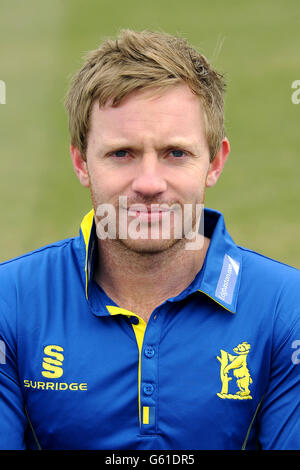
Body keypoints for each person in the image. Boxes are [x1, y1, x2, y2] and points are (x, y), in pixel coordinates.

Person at [0, 29, 300, 451]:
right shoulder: (9, 302)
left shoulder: (288, 308)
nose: (148, 183)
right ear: (81, 163)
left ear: (214, 162)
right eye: (121, 153)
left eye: (176, 153)